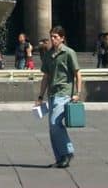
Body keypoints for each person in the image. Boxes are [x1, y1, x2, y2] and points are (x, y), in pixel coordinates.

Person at [35, 25, 82, 168]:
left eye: (56, 37)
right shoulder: (49, 54)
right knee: (52, 127)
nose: (53, 39)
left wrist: (77, 93)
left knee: (55, 125)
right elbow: (46, 76)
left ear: (62, 38)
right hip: (52, 94)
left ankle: (68, 153)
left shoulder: (69, 53)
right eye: (51, 37)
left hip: (64, 93)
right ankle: (60, 157)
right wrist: (40, 96)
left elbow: (77, 73)